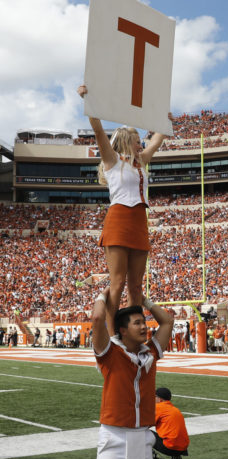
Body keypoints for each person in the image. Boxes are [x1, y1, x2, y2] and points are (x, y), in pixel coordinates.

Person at [77, 85, 171, 334]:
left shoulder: (141, 162)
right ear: (128, 142)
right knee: (117, 282)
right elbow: (98, 131)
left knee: (136, 286)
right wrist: (89, 101)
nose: (141, 146)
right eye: (138, 142)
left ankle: (134, 331)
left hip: (140, 220)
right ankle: (113, 335)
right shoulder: (112, 160)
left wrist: (165, 121)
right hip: (119, 219)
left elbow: (159, 138)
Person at [91, 288, 173, 459]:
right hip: (114, 435)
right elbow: (97, 318)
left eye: (144, 322)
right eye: (137, 323)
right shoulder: (110, 354)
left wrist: (143, 299)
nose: (144, 326)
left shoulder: (150, 353)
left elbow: (166, 322)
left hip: (143, 435)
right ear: (123, 330)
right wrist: (104, 294)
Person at [153, 387, 189, 459]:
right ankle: (176, 458)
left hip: (171, 447)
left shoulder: (159, 407)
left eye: (155, 397)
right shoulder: (175, 409)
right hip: (183, 447)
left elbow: (145, 424)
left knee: (143, 434)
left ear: (160, 399)